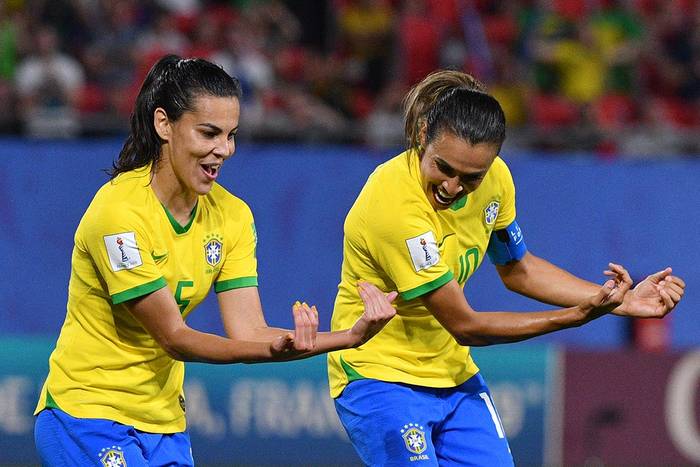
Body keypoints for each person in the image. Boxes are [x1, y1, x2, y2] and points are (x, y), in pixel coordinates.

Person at [33, 54, 397, 466]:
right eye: (209, 133)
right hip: (84, 417)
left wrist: (348, 336)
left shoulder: (233, 216)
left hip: (163, 424)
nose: (224, 150)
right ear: (164, 125)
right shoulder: (118, 214)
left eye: (231, 135)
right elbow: (174, 336)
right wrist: (272, 351)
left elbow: (250, 329)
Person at [327, 70, 685, 466]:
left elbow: (519, 270)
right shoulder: (394, 205)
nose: (452, 187)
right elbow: (466, 325)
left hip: (452, 373)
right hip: (379, 377)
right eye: (443, 168)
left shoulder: (497, 181)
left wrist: (620, 302)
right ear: (422, 134)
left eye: (470, 177)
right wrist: (575, 316)